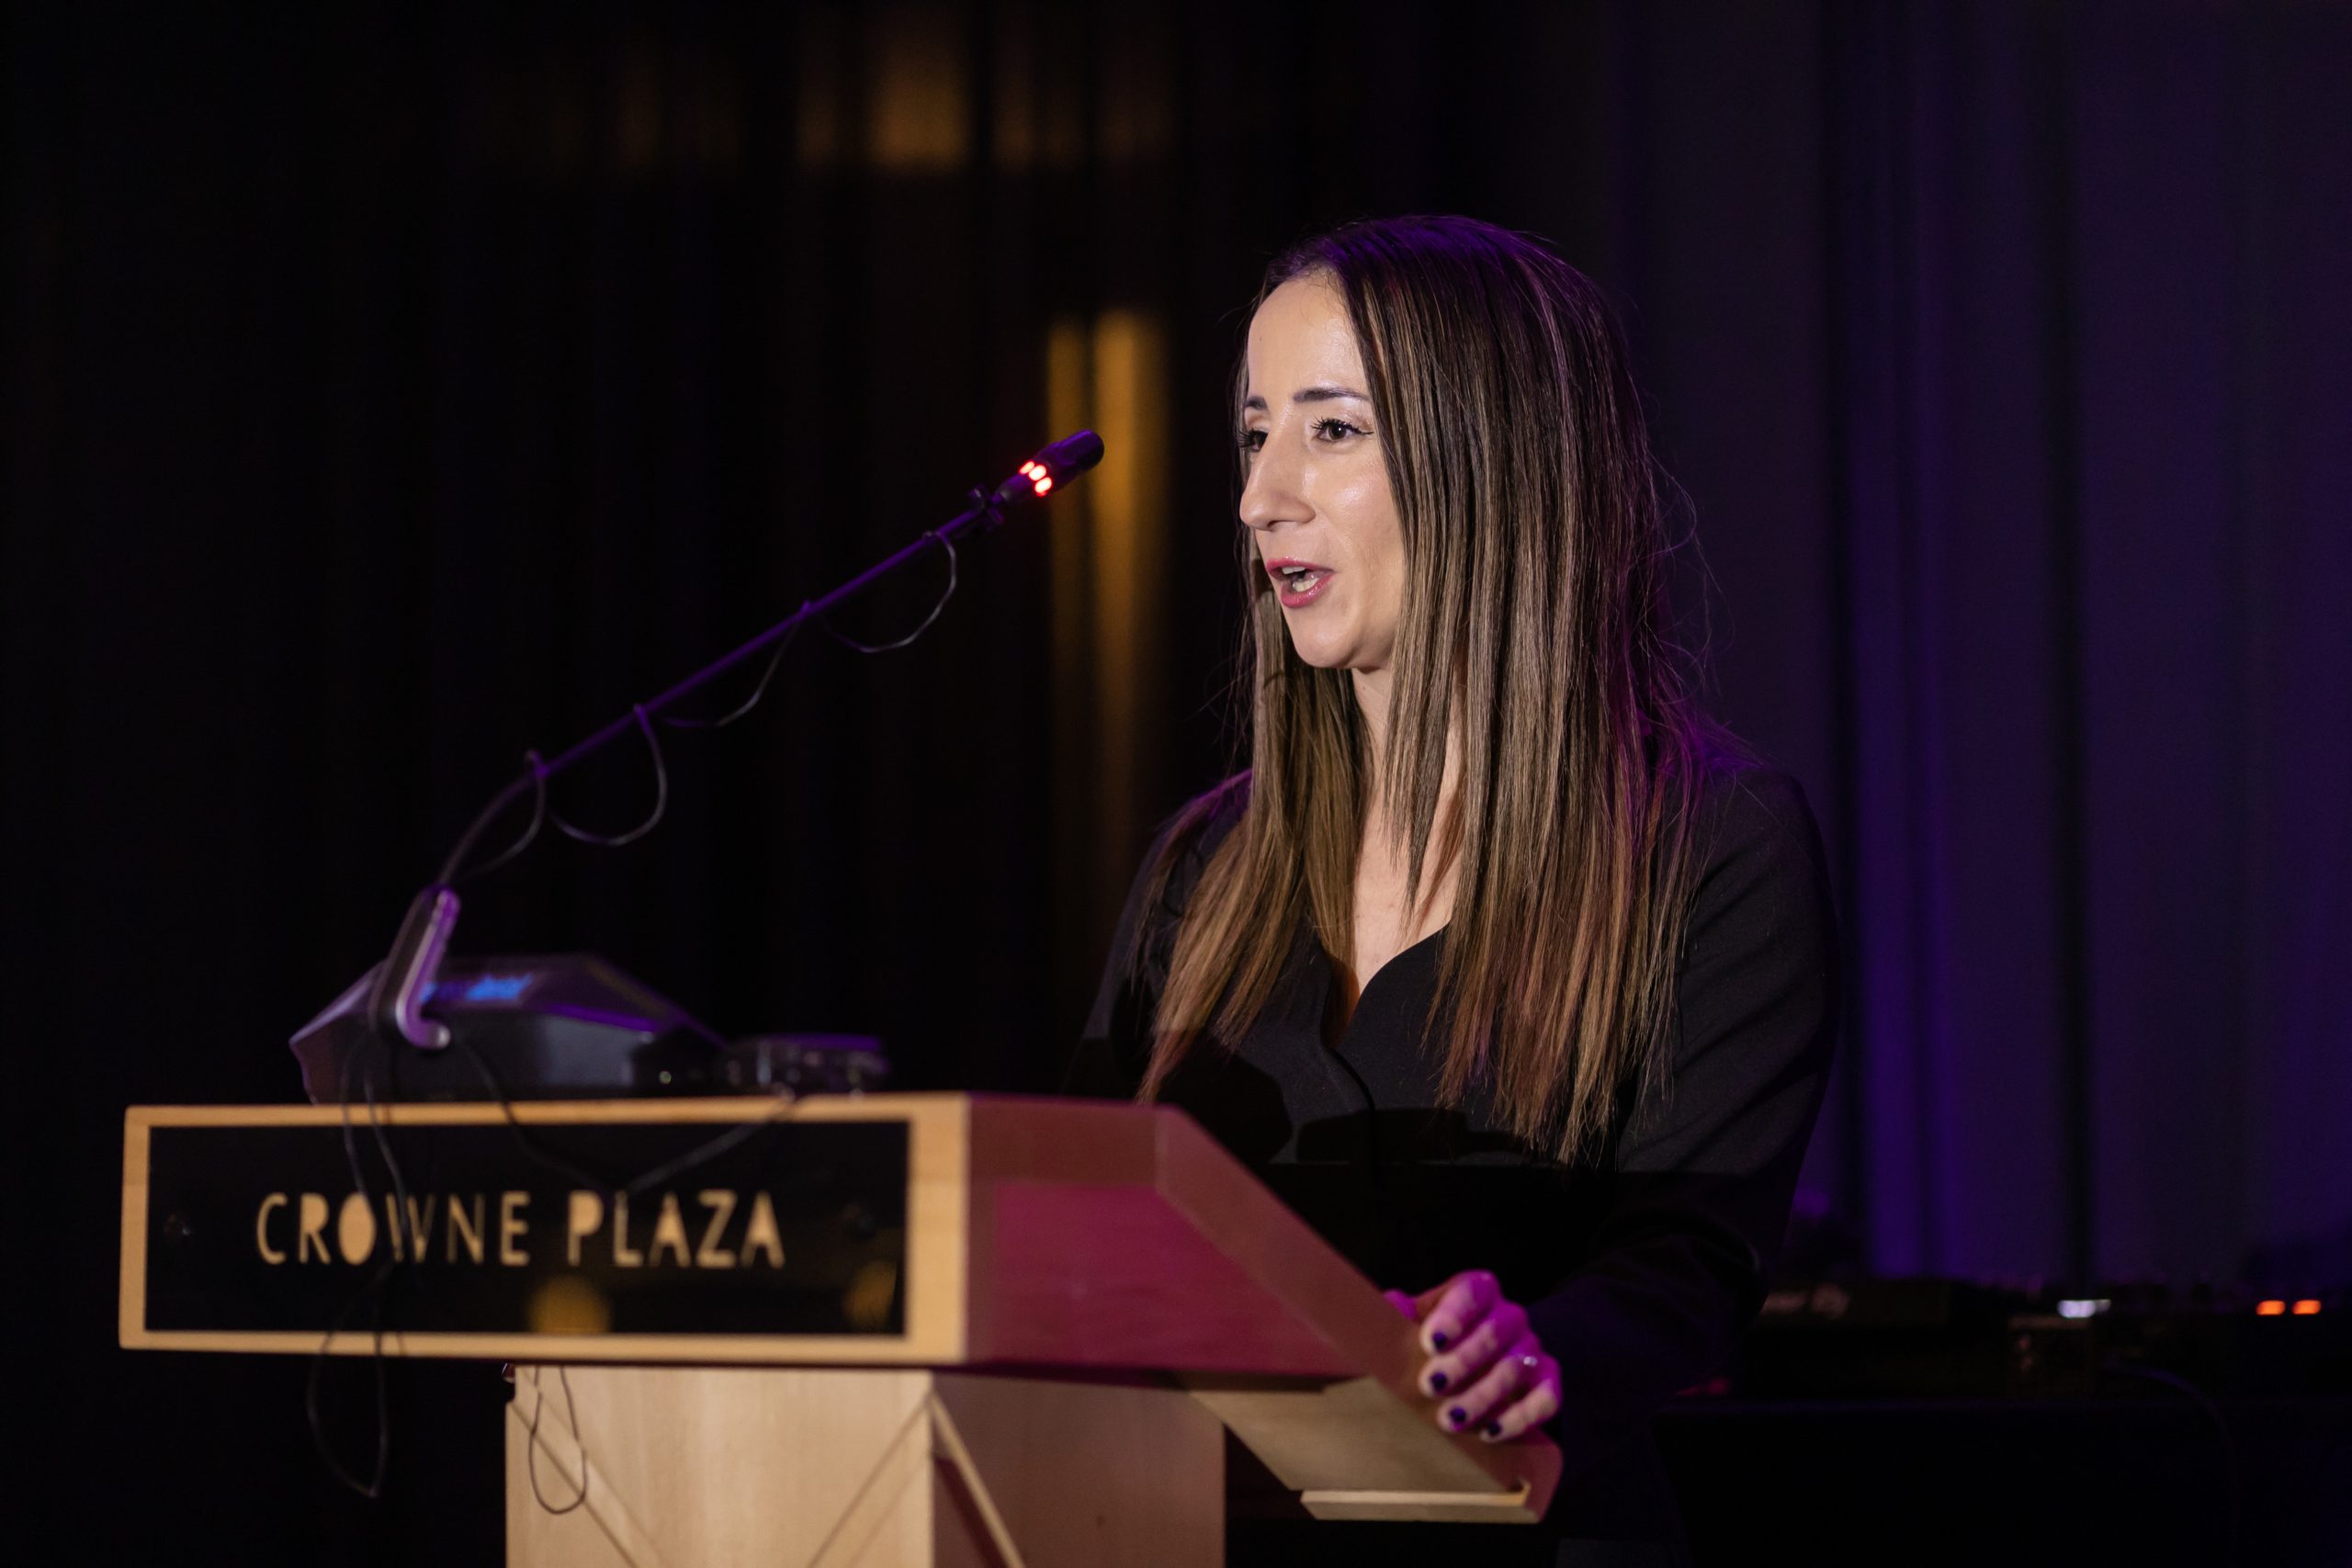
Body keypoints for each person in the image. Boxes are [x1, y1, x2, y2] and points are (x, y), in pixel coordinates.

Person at [1068, 214, 1838, 1565]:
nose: (1261, 498)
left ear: (1492, 465)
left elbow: (1688, 1263)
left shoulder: (1710, 849)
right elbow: (1069, 1229)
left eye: (1332, 430)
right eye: (1255, 434)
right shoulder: (1205, 866)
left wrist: (1534, 1347)